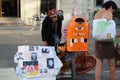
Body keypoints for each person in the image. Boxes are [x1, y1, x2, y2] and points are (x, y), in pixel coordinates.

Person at [93, 1, 118, 80]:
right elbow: (109, 30)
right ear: (110, 7)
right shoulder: (108, 13)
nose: (112, 11)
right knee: (111, 64)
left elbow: (99, 29)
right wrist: (115, 35)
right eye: (113, 10)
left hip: (98, 41)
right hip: (108, 43)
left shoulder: (97, 14)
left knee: (99, 64)